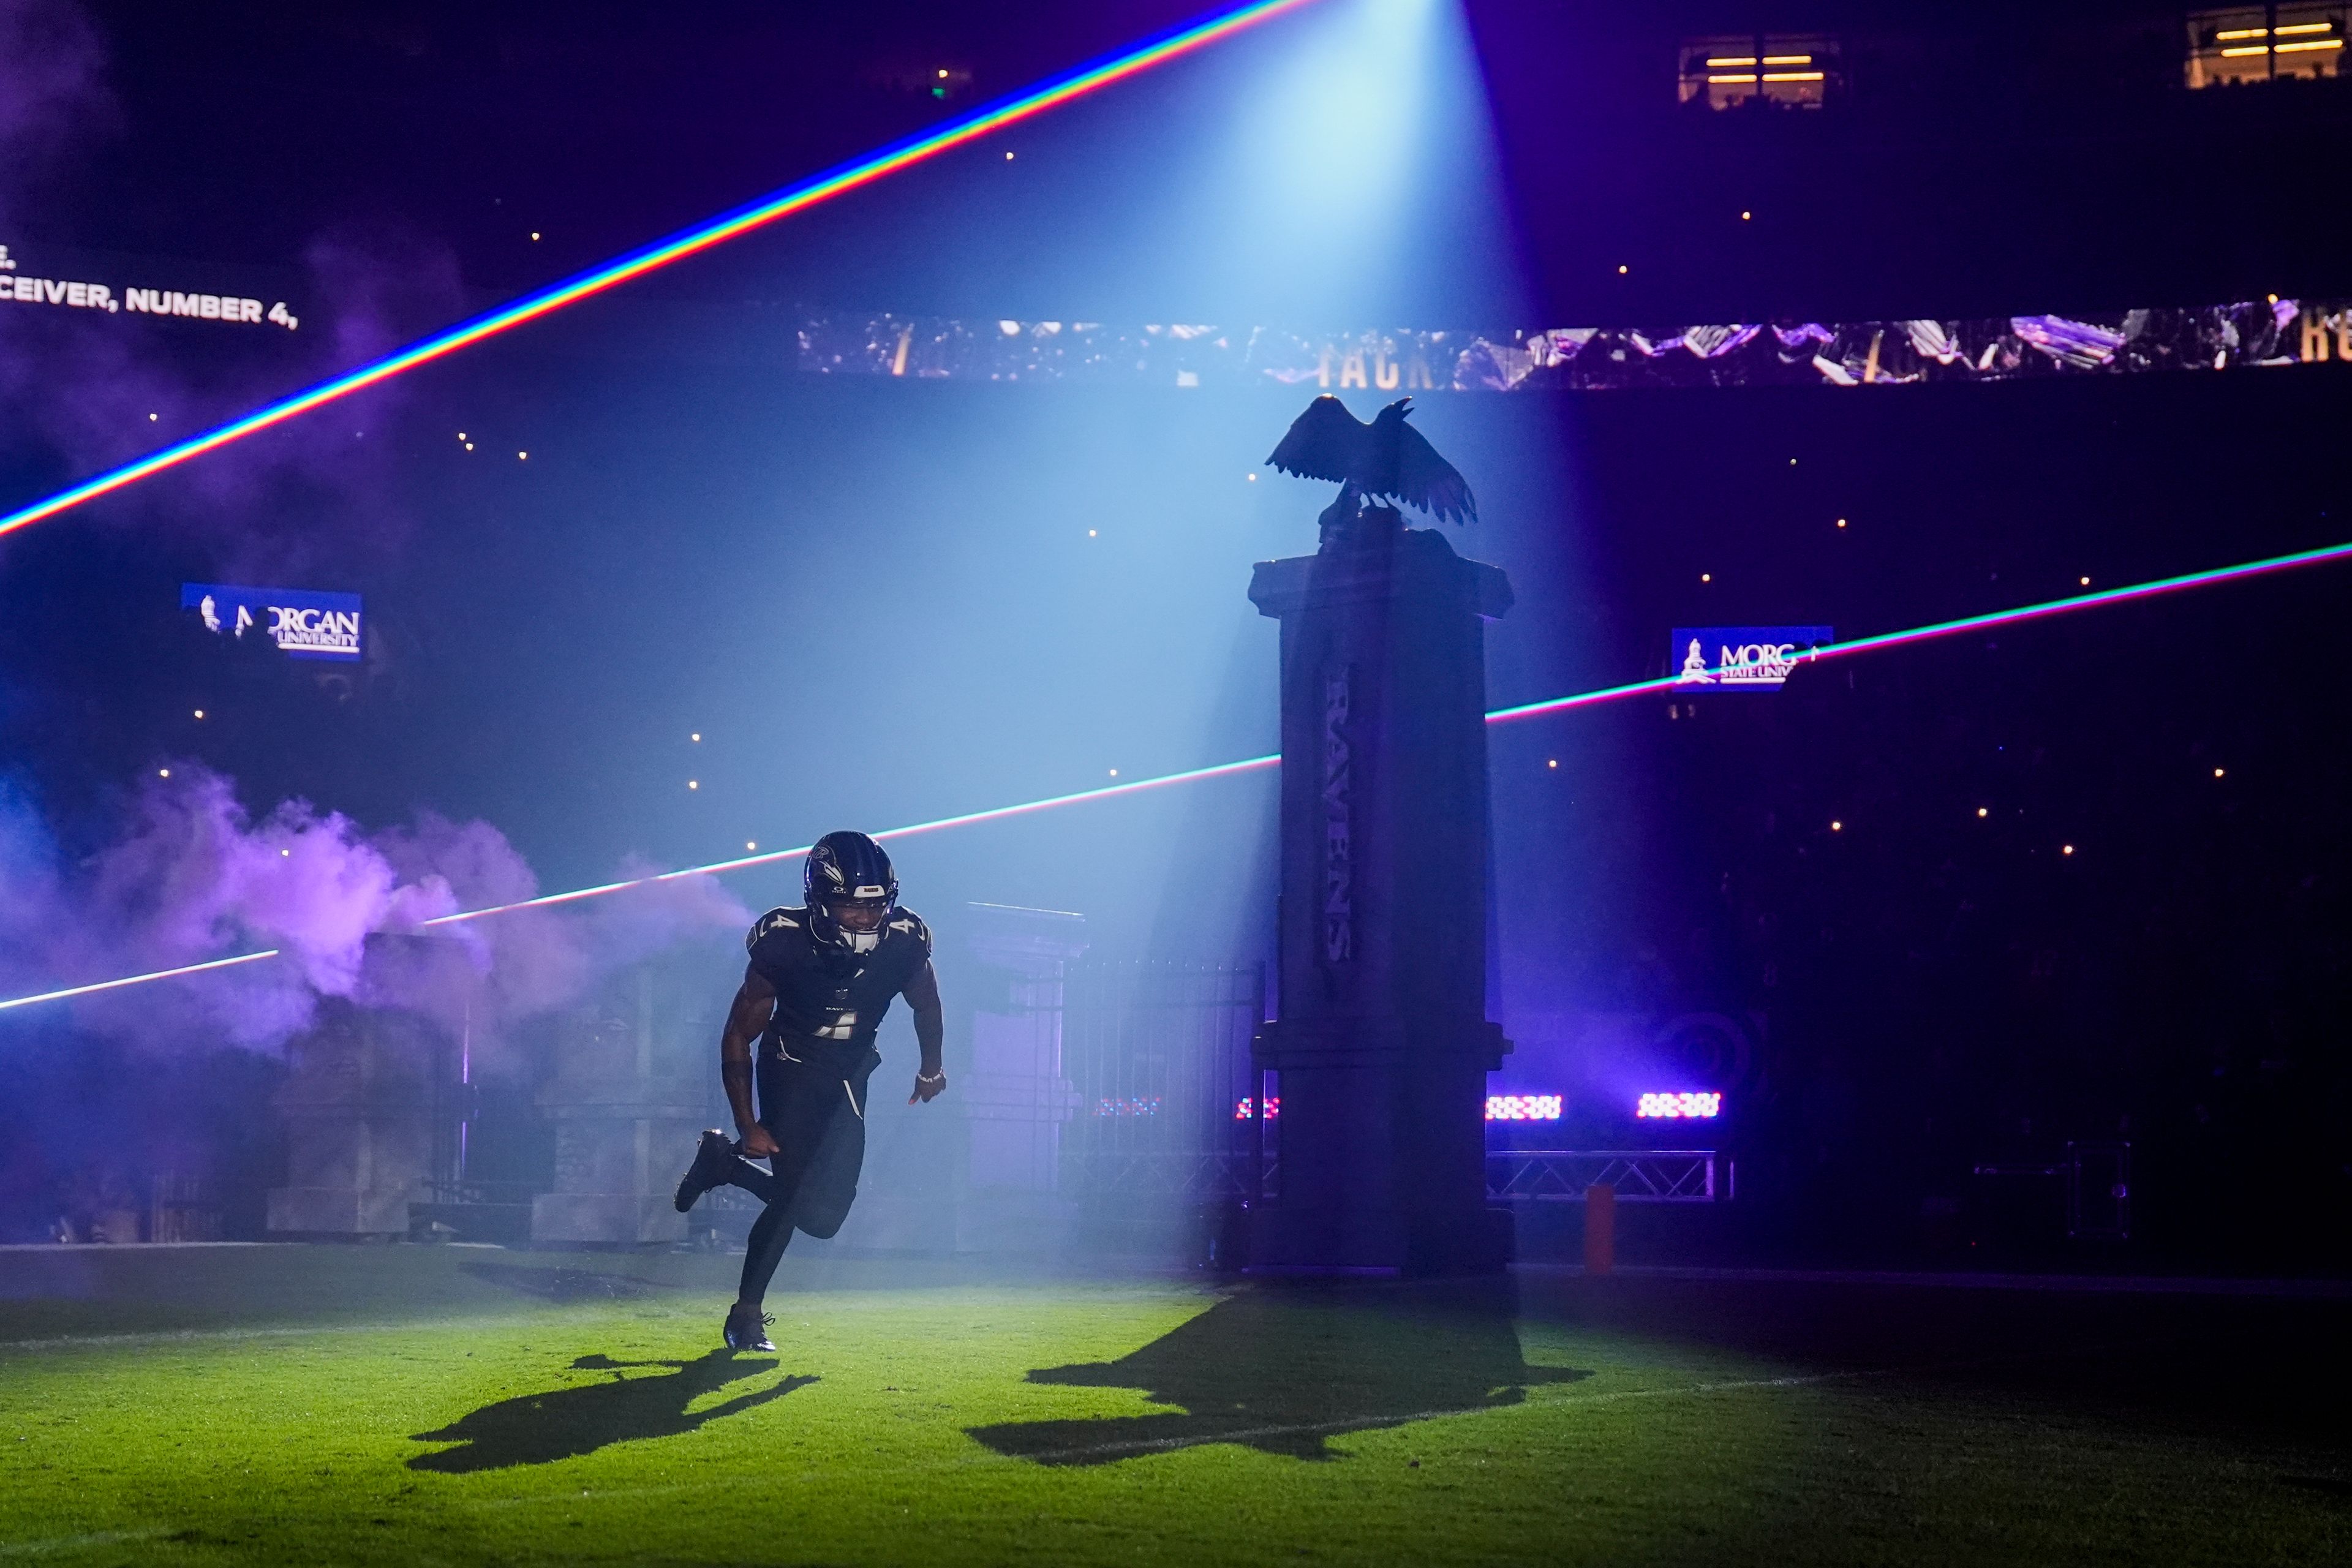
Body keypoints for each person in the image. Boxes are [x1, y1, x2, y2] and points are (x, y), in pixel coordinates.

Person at [673, 831, 946, 1351]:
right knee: (796, 1193)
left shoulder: (907, 941)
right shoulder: (783, 942)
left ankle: (724, 1166)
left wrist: (931, 1067)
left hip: (849, 1074)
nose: (867, 919)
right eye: (851, 907)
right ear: (819, 902)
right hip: (790, 1066)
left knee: (824, 1220)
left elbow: (926, 1002)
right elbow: (739, 1032)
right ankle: (745, 1315)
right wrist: (748, 1123)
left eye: (876, 907)